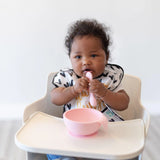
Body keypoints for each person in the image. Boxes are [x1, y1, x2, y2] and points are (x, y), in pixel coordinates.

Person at [47, 19, 130, 160]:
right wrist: (72, 90)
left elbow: (123, 103)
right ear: (70, 58)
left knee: (123, 150)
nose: (85, 61)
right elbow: (55, 98)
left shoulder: (109, 78)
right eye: (78, 57)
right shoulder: (68, 78)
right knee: (53, 150)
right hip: (75, 132)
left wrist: (105, 93)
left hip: (104, 133)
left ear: (106, 57)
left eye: (93, 55)